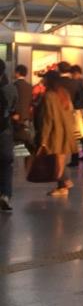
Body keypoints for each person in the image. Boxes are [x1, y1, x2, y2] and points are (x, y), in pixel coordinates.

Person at [35, 69, 77, 197]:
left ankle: (65, 183)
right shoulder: (64, 93)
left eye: (44, 78)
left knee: (55, 159)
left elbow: (48, 119)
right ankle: (63, 186)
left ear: (49, 80)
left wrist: (43, 139)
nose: (42, 80)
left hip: (55, 133)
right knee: (60, 159)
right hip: (66, 131)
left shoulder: (49, 96)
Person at [0, 61, 15, 213]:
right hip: (5, 130)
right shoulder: (10, 88)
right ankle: (5, 194)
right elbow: (14, 108)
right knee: (6, 164)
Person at [12, 65, 33, 153]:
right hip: (25, 115)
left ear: (17, 73)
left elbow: (14, 101)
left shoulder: (14, 85)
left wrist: (15, 112)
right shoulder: (29, 86)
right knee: (22, 133)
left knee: (15, 135)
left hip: (15, 115)